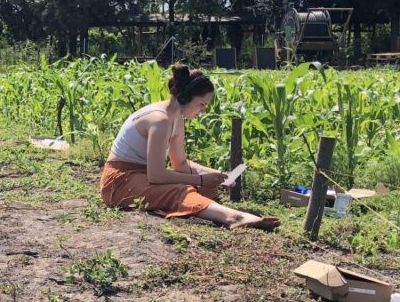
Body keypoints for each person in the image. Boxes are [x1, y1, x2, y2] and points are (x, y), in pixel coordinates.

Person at [100, 64, 280, 231]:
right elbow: (155, 175)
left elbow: (180, 164)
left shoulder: (176, 119)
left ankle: (215, 210)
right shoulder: (159, 120)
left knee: (204, 188)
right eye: (201, 104)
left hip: (141, 176)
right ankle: (234, 218)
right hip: (119, 182)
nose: (203, 110)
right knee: (180, 190)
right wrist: (200, 179)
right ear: (185, 98)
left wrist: (215, 175)